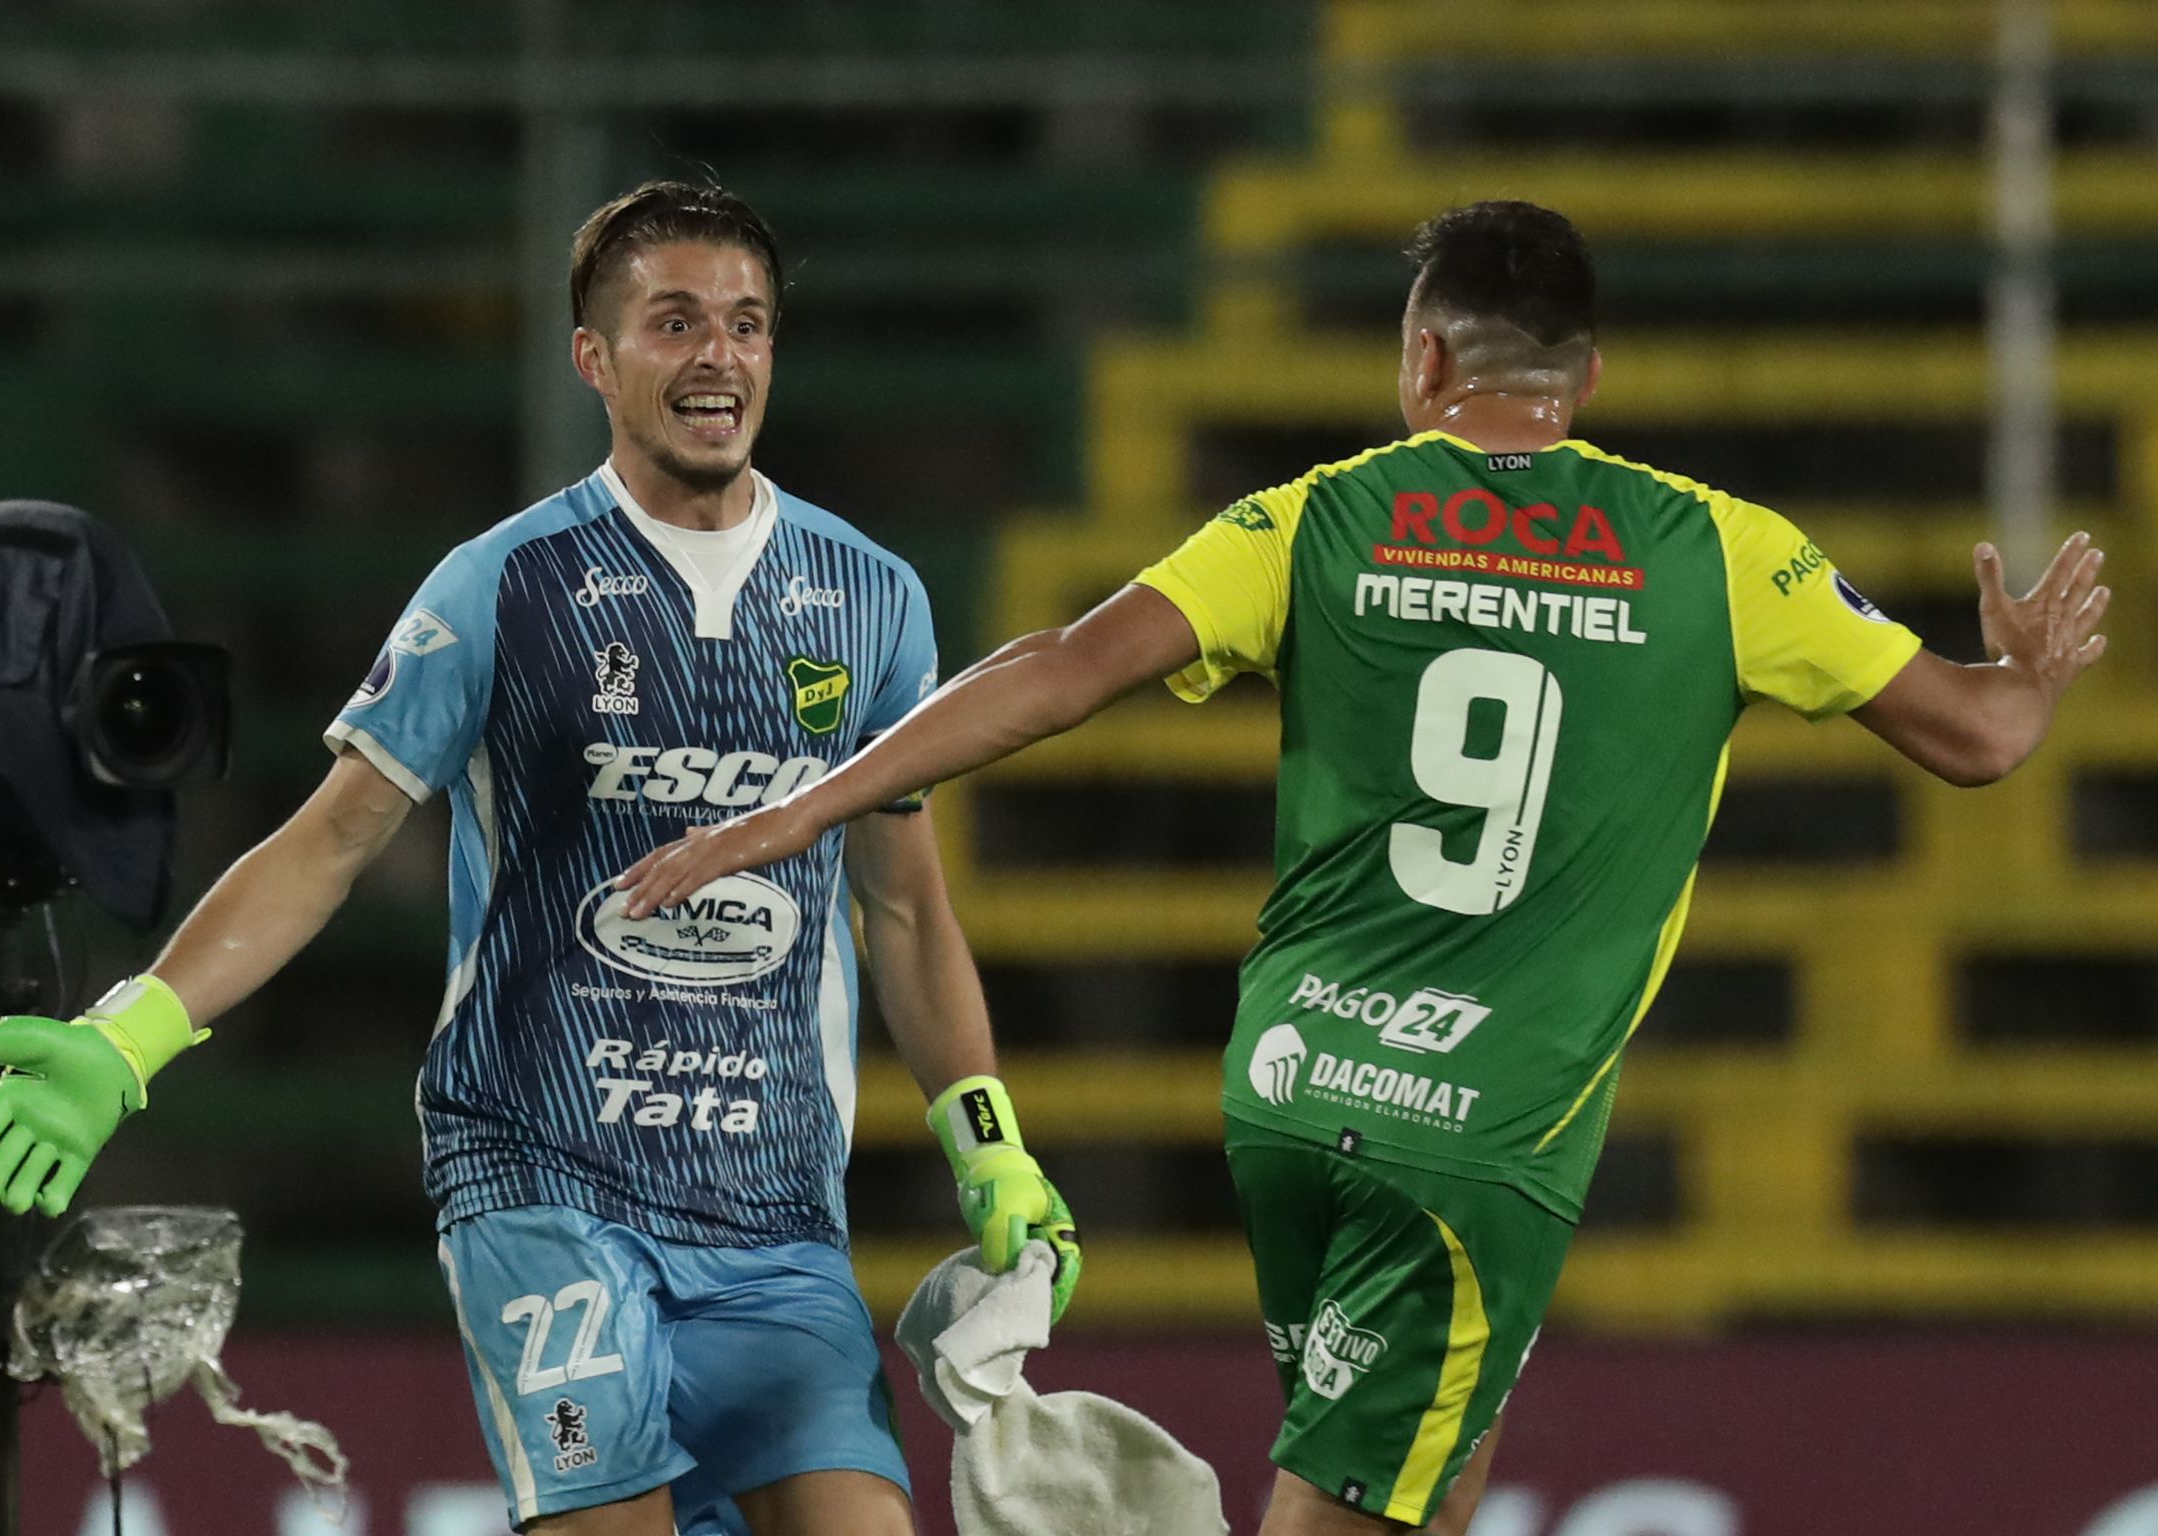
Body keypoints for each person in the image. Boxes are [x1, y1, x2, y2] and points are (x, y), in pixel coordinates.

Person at [612, 200, 2112, 1535]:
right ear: (1587, 380)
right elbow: (1975, 740)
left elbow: (1060, 668)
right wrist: (2030, 675)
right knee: (1363, 1505)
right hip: (1479, 1140)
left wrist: (804, 809)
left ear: (1424, 363)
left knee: (1429, 1480)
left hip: (1292, 1091)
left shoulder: (1319, 515)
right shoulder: (1719, 551)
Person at [0, 179, 1079, 1536]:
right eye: (674, 323)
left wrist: (989, 1146)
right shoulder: (499, 586)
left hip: (776, 1217)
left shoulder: (874, 597)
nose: (718, 356)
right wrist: (129, 1038)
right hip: (546, 1189)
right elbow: (329, 843)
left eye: (748, 324)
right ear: (595, 359)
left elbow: (906, 912)